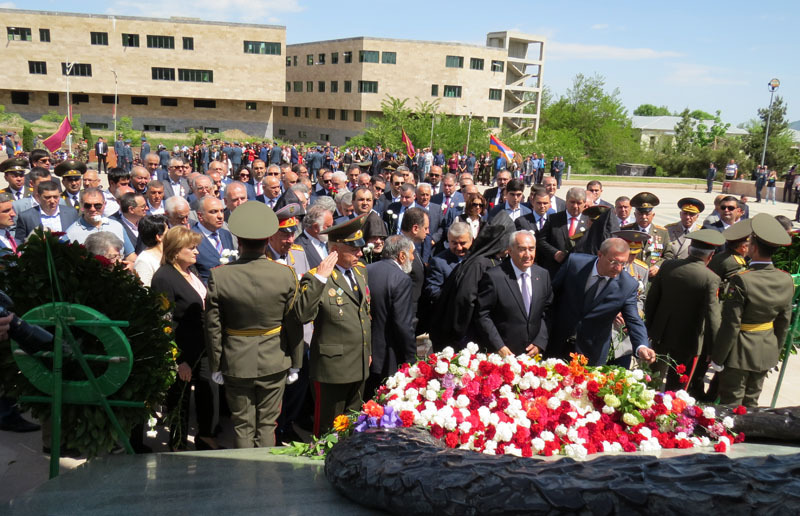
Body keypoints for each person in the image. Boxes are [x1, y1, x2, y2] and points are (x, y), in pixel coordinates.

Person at [205, 202, 304, 448]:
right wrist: (297, 362)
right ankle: (266, 478)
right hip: (275, 359)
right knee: (267, 425)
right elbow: (294, 323)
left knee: (242, 425)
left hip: (236, 361)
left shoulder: (220, 275)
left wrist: (215, 364)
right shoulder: (286, 274)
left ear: (238, 240)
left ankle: (244, 479)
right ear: (268, 238)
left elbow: (213, 327)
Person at [293, 214, 371, 436]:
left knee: (353, 426)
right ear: (335, 249)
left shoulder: (360, 271)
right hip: (332, 369)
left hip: (359, 362)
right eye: (353, 248)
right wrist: (320, 279)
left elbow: (364, 313)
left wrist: (368, 351)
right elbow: (303, 314)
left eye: (360, 247)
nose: (360, 253)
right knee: (329, 430)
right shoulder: (316, 277)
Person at [712, 214, 793, 406]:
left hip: (739, 351)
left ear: (753, 248)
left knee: (730, 406)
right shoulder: (785, 279)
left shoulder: (742, 279)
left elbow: (732, 324)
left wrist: (718, 357)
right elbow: (783, 323)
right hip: (765, 350)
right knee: (751, 404)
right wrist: (774, 354)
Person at [151, 226, 218, 451]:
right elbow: (163, 322)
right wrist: (178, 360)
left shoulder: (191, 271)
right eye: (191, 248)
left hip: (202, 346)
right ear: (175, 251)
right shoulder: (164, 277)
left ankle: (205, 435)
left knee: (208, 391)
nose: (197, 252)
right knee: (178, 399)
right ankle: (177, 443)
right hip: (182, 350)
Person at [548, 238, 656, 367]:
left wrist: (641, 346)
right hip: (556, 342)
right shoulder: (575, 263)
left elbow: (634, 319)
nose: (618, 268)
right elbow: (551, 297)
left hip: (590, 352)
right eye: (614, 262)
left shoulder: (627, 285)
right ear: (600, 255)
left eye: (623, 264)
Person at [644, 230, 724, 391]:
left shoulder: (668, 266)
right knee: (678, 387)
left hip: (661, 333)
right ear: (711, 255)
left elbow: (652, 300)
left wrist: (649, 329)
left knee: (652, 380)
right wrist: (713, 348)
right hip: (689, 339)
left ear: (689, 250)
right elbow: (712, 316)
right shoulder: (711, 278)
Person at [475, 230, 551, 357]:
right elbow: (482, 314)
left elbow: (547, 311)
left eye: (531, 249)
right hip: (504, 354)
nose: (528, 254)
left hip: (533, 354)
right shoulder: (494, 277)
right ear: (510, 251)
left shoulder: (543, 275)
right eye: (522, 249)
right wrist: (499, 346)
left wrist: (540, 342)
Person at [364, 235, 417, 396]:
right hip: (388, 353)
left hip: (365, 349)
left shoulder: (367, 270)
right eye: (411, 253)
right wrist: (411, 358)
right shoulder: (401, 279)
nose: (413, 257)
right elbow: (403, 323)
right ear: (402, 256)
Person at [537, 187, 588, 277]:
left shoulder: (589, 222)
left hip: (579, 271)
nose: (575, 206)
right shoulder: (553, 219)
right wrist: (555, 253)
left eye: (579, 203)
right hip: (555, 270)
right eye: (572, 202)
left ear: (584, 203)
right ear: (566, 201)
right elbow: (541, 240)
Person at [623, 192, 669, 277]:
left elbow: (669, 255)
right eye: (640, 214)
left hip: (652, 278)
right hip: (630, 275)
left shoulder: (662, 232)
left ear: (653, 215)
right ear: (635, 215)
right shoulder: (625, 231)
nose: (644, 217)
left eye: (647, 214)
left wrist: (658, 266)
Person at [15, 181, 79, 241]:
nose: (52, 201)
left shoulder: (71, 213)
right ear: (38, 197)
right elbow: (19, 242)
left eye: (55, 197)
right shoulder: (26, 217)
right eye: (48, 197)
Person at [191, 196, 235, 283]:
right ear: (200, 216)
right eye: (213, 212)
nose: (220, 216)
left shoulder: (226, 234)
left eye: (221, 211)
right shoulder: (191, 238)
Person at [133, 214, 168, 287]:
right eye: (168, 230)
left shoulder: (169, 253)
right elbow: (143, 291)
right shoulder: (144, 261)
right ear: (159, 237)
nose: (171, 232)